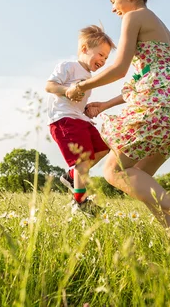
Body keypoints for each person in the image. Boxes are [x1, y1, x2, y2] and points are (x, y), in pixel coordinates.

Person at [67, 0, 170, 246]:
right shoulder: (162, 28)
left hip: (160, 104)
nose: (112, 8)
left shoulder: (134, 17)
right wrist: (104, 105)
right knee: (139, 178)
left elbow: (119, 68)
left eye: (113, 0)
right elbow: (143, 80)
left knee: (113, 171)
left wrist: (83, 85)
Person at [45, 25, 115, 215]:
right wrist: (66, 91)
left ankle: (71, 176)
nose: (103, 60)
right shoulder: (68, 67)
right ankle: (80, 201)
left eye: (106, 58)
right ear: (84, 49)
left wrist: (87, 108)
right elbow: (50, 86)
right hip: (64, 119)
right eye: (100, 54)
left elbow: (79, 100)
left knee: (103, 148)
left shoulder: (89, 77)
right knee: (82, 158)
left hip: (79, 117)